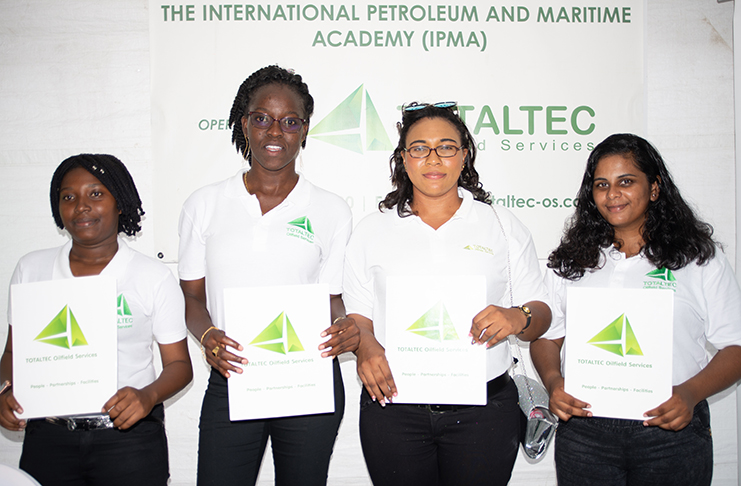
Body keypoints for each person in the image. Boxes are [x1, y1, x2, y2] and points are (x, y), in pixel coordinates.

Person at [342, 102, 552, 486]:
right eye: (419, 147)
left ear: (464, 156)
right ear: (403, 159)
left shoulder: (500, 225)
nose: (433, 158)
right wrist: (366, 347)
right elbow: (358, 315)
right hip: (394, 409)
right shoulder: (372, 230)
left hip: (484, 411)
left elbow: (541, 312)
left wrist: (517, 316)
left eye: (447, 147)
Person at [178, 65, 359, 486]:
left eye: (289, 121)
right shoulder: (204, 204)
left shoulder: (331, 210)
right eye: (262, 118)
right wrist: (208, 338)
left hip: (309, 381)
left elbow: (331, 297)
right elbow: (191, 298)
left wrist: (345, 326)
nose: (275, 132)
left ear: (305, 130)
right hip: (233, 375)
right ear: (244, 124)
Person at [531, 133, 741, 486]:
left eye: (626, 182)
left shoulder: (698, 259)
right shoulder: (571, 262)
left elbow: (735, 346)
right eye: (601, 185)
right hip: (585, 434)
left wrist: (689, 394)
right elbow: (547, 337)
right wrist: (554, 383)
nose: (613, 195)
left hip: (670, 432)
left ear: (655, 188)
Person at [0, 153, 193, 485]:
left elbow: (180, 366)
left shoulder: (152, 276)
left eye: (96, 193)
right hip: (48, 438)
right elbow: (14, 354)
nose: (81, 206)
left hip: (128, 440)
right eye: (68, 197)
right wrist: (3, 390)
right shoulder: (31, 270)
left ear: (120, 203)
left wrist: (146, 396)